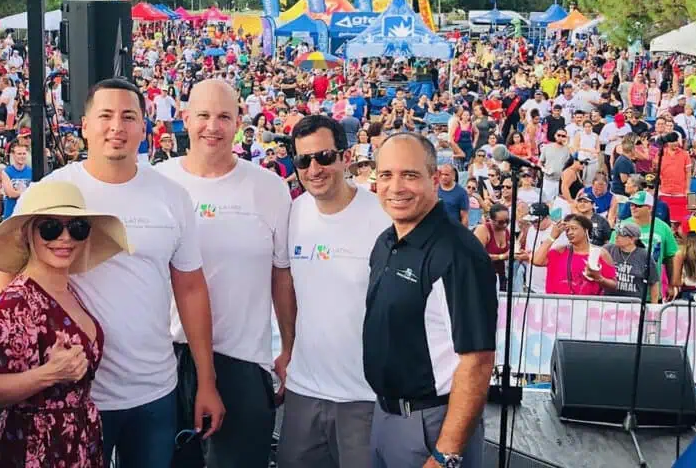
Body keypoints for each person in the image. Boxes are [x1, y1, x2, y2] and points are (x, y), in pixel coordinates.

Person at [0, 78, 224, 467]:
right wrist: (19, 374)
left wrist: (207, 380)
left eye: (128, 116)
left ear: (144, 127)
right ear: (84, 125)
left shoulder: (171, 197)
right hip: (70, 394)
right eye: (105, 116)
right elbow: (7, 277)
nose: (116, 127)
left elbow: (190, 289)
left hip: (153, 389)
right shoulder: (50, 192)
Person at [155, 79, 291, 468]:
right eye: (203, 116)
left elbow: (282, 275)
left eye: (223, 117)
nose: (212, 126)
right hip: (166, 355)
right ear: (185, 119)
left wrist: (289, 345)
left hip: (243, 357)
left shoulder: (269, 188)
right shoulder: (157, 182)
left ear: (238, 123)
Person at [0, 181, 132, 468]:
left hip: (79, 443)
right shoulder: (16, 302)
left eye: (77, 228)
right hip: (34, 450)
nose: (64, 238)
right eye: (50, 228)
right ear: (29, 235)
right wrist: (49, 374)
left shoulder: (69, 291)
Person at [364, 133, 497, 468]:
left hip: (431, 425)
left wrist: (446, 454)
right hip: (385, 416)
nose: (396, 187)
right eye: (386, 175)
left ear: (435, 180)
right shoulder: (385, 241)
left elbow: (478, 360)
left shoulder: (459, 254)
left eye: (409, 175)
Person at [278, 115, 391, 468]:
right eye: (303, 160)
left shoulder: (383, 217)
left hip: (365, 396)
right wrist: (286, 347)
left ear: (346, 156)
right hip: (304, 390)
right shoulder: (294, 212)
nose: (314, 169)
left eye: (324, 157)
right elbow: (287, 286)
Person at [602, 222, 660, 301]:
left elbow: (654, 282)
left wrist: (654, 307)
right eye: (616, 233)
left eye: (621, 234)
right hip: (609, 303)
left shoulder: (644, 255)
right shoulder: (608, 249)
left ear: (632, 239)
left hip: (634, 305)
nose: (616, 236)